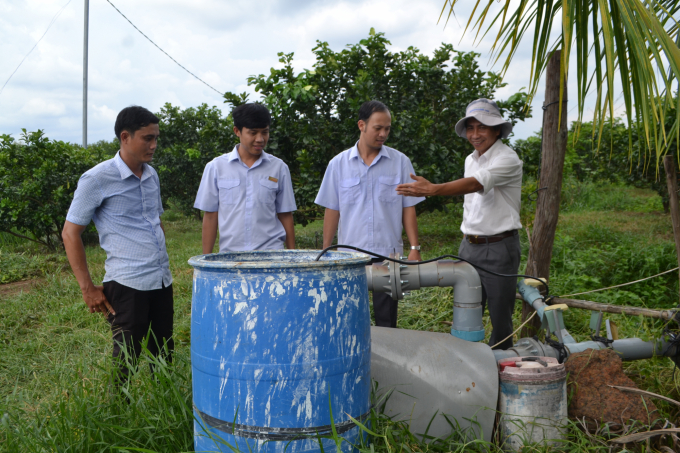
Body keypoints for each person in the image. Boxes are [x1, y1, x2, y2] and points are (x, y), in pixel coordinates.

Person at [396, 98, 522, 349]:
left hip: (498, 247)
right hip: (469, 246)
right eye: (470, 128)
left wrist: (433, 189)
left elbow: (476, 184)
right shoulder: (471, 159)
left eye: (482, 128)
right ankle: (471, 365)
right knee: (467, 310)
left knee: (500, 317)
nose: (475, 135)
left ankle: (501, 367)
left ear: (497, 129)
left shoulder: (508, 159)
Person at [62, 105, 174, 383]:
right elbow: (70, 233)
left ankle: (166, 408)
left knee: (164, 352)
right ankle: (119, 414)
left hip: (161, 280)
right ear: (125, 137)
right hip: (127, 284)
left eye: (156, 138)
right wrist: (88, 289)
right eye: (147, 138)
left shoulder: (152, 175)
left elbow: (155, 221)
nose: (154, 145)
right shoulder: (97, 178)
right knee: (126, 358)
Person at [315, 100, 424, 328]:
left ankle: (387, 361)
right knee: (352, 319)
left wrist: (415, 248)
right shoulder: (338, 164)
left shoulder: (400, 162)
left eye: (387, 128)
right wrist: (327, 250)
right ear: (362, 125)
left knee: (387, 322)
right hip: (350, 257)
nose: (383, 134)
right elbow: (332, 210)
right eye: (378, 128)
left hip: (388, 255)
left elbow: (408, 207)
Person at [194, 103, 296, 253]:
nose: (260, 139)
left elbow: (285, 214)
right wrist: (206, 260)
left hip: (272, 255)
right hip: (232, 256)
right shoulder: (216, 167)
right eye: (253, 133)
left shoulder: (279, 168)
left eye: (265, 132)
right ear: (237, 131)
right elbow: (210, 216)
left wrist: (292, 256)